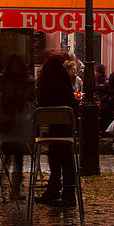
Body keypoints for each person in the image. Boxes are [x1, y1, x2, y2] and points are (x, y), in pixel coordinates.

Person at [36, 55, 78, 206]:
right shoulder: (64, 85)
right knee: (67, 158)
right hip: (65, 131)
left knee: (54, 154)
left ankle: (53, 189)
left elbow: (40, 106)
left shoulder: (45, 87)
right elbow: (73, 106)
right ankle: (68, 193)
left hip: (51, 131)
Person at [0, 53, 34, 201]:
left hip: (18, 121)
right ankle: (5, 183)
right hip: (10, 121)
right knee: (8, 154)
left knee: (17, 155)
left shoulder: (22, 81)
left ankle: (12, 187)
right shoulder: (7, 81)